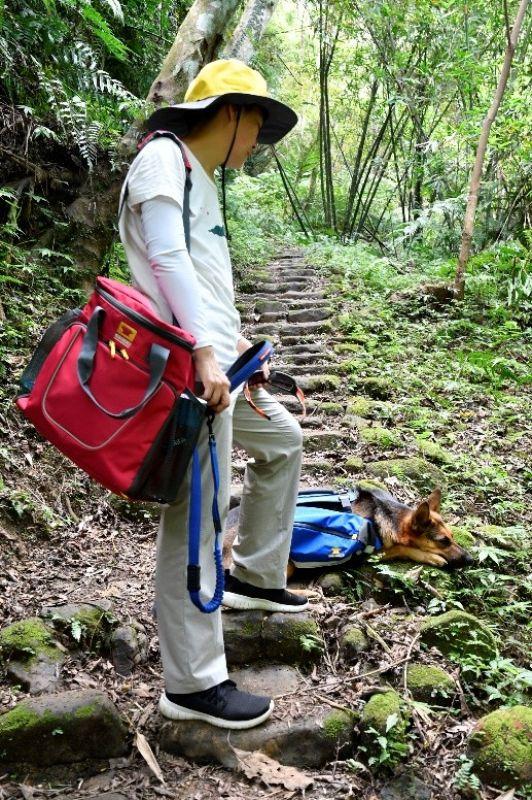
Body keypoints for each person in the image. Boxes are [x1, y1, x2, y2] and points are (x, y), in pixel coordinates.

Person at [118, 59, 306, 730]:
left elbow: (202, 280)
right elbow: (165, 258)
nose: (256, 144)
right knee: (196, 517)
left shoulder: (201, 179)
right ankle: (193, 683)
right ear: (229, 113)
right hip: (193, 375)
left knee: (283, 439)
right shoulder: (164, 158)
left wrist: (240, 355)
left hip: (222, 370)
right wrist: (202, 351)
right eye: (257, 126)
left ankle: (255, 575)